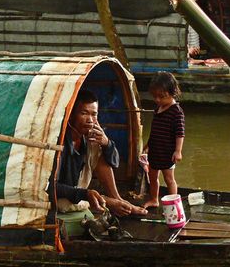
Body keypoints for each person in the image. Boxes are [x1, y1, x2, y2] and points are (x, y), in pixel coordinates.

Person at [53, 89, 147, 218]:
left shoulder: (89, 139)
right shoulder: (60, 142)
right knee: (65, 204)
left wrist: (106, 142)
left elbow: (115, 162)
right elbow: (52, 186)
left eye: (94, 114)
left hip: (78, 189)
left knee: (96, 146)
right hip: (62, 196)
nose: (90, 120)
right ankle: (106, 201)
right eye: (84, 113)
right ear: (71, 115)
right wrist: (85, 194)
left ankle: (118, 199)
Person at [142, 72, 185, 209]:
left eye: (162, 96)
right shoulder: (158, 109)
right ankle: (154, 199)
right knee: (152, 176)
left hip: (167, 151)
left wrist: (178, 151)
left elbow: (180, 133)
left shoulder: (176, 111)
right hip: (155, 149)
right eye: (155, 97)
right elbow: (154, 129)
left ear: (172, 93)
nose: (158, 100)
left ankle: (173, 204)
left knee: (169, 179)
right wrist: (148, 144)